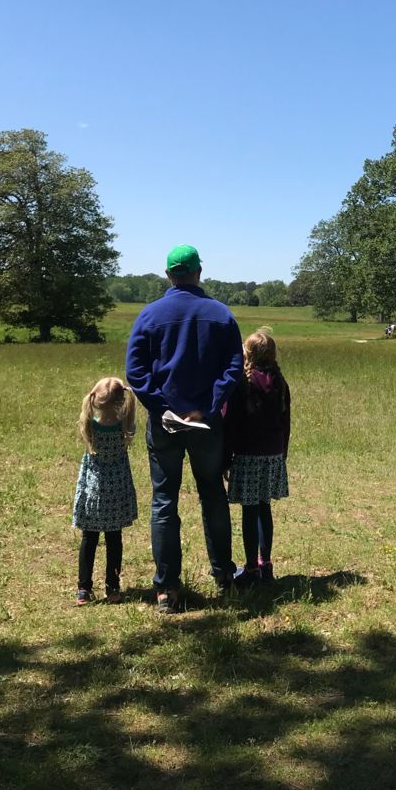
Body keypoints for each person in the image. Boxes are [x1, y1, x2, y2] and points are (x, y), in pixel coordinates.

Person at [126, 243, 243, 612]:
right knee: (213, 495)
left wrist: (162, 407)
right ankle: (224, 576)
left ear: (167, 274)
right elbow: (234, 366)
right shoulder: (220, 314)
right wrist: (209, 406)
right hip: (207, 424)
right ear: (199, 272)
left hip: (165, 425)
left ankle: (167, 590)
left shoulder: (149, 315)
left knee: (164, 501)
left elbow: (136, 371)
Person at [226, 327, 291, 586]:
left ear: (248, 354)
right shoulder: (280, 381)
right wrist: (282, 452)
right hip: (273, 454)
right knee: (265, 508)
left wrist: (226, 455)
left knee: (249, 512)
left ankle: (251, 568)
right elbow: (286, 422)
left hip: (248, 455)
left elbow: (231, 423)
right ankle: (266, 565)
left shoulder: (244, 383)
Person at [72, 376, 138, 605]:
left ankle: (83, 588)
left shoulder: (89, 423)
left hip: (94, 488)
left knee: (88, 538)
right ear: (121, 401)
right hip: (117, 490)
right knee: (114, 539)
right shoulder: (125, 424)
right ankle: (113, 587)